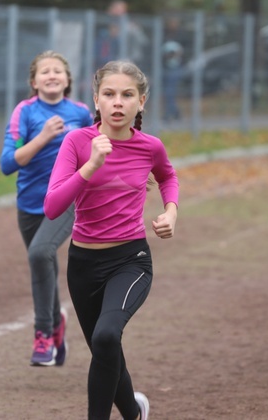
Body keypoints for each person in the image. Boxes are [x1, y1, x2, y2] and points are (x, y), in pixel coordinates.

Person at [44, 60, 179, 419]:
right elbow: (53, 205)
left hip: (129, 261)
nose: (118, 102)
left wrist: (171, 212)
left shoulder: (150, 147)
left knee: (106, 336)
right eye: (109, 94)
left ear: (141, 102)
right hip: (83, 264)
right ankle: (134, 413)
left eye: (127, 95)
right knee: (106, 350)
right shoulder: (77, 142)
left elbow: (167, 175)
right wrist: (91, 166)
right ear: (96, 100)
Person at [0, 50, 94, 366]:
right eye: (45, 71)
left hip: (66, 201)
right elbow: (8, 163)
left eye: (58, 71)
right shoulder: (24, 113)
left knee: (40, 254)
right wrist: (43, 137)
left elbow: (107, 148)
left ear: (68, 80)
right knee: (44, 265)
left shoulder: (81, 114)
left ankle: (43, 338)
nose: (51, 75)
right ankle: (57, 324)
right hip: (29, 204)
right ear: (33, 81)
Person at [95, 0, 149, 68]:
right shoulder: (106, 22)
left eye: (121, 9)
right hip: (110, 58)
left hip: (129, 58)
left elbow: (143, 41)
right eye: (116, 8)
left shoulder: (130, 25)